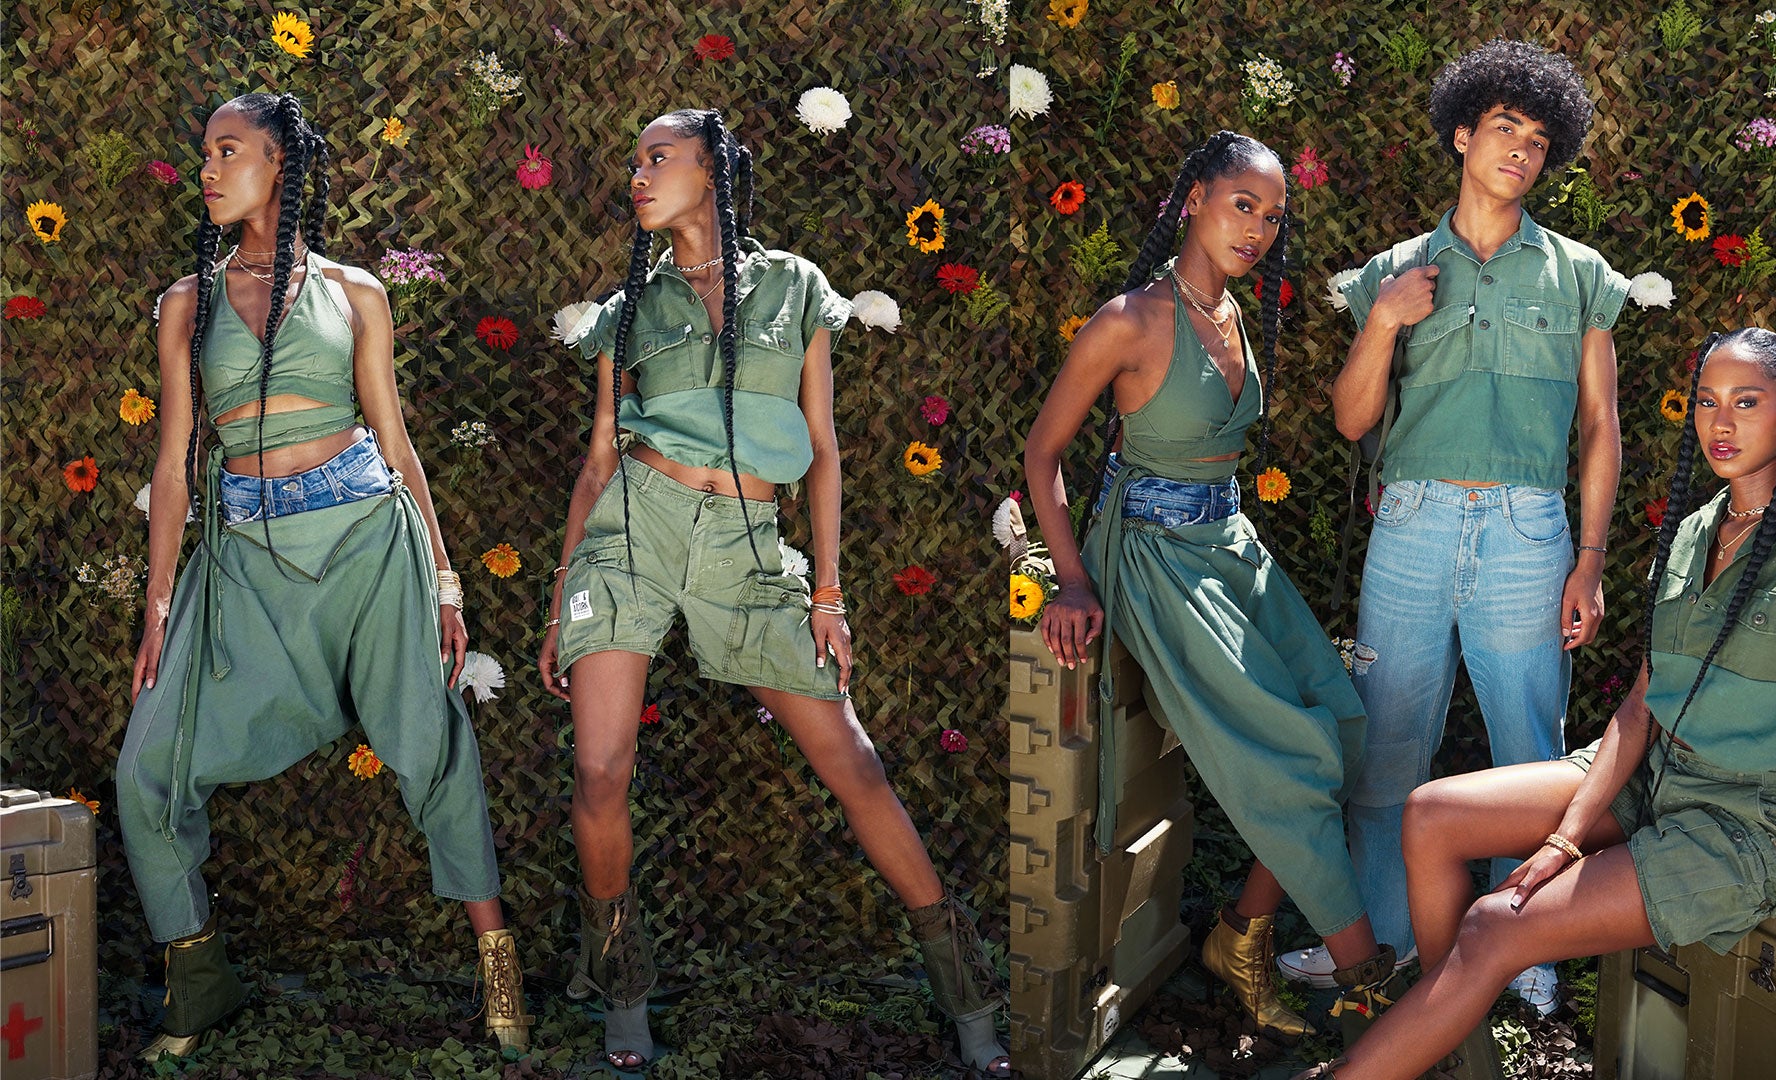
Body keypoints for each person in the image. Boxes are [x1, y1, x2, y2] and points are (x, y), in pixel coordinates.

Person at [1293, 327, 1776, 1078]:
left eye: (1747, 402)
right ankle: (1460, 1058)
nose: (1721, 424)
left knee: (1496, 924)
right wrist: (1568, 836)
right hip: (1648, 772)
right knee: (1431, 815)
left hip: (1741, 819)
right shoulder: (1693, 532)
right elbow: (1640, 706)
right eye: (1708, 402)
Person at [536, 108, 1007, 1076]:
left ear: (713, 174)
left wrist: (827, 593)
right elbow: (596, 463)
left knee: (856, 764)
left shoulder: (794, 287)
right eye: (633, 161)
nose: (639, 174)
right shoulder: (631, 309)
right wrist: (559, 601)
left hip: (751, 552)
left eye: (658, 158)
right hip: (634, 531)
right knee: (599, 772)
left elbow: (824, 452)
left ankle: (968, 990)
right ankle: (623, 983)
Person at [115, 92, 528, 1061]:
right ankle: (200, 975)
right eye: (204, 152)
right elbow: (175, 465)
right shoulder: (189, 302)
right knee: (148, 766)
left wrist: (445, 576)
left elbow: (395, 439)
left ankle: (498, 963)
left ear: (280, 163)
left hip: (365, 542)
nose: (209, 170)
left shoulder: (355, 292)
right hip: (245, 559)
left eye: (228, 150)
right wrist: (159, 604)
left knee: (431, 735)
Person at [1023, 130, 1396, 1042]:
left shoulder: (1232, 314)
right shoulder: (1129, 320)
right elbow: (1041, 455)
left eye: (1274, 217)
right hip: (1153, 561)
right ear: (1193, 198)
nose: (1260, 229)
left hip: (1231, 546)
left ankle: (1239, 936)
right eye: (1243, 205)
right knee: (1292, 758)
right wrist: (1073, 581)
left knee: (1342, 726)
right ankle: (1370, 994)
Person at [1299, 38, 1629, 1013]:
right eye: (1502, 130)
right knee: (1386, 745)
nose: (1519, 152)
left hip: (1532, 529)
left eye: (1536, 140)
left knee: (1528, 749)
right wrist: (1385, 320)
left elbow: (1602, 429)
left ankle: (1522, 957)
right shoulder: (1395, 271)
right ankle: (1384, 943)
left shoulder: (1579, 275)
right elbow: (1352, 419)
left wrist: (1592, 560)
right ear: (1461, 136)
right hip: (1411, 520)